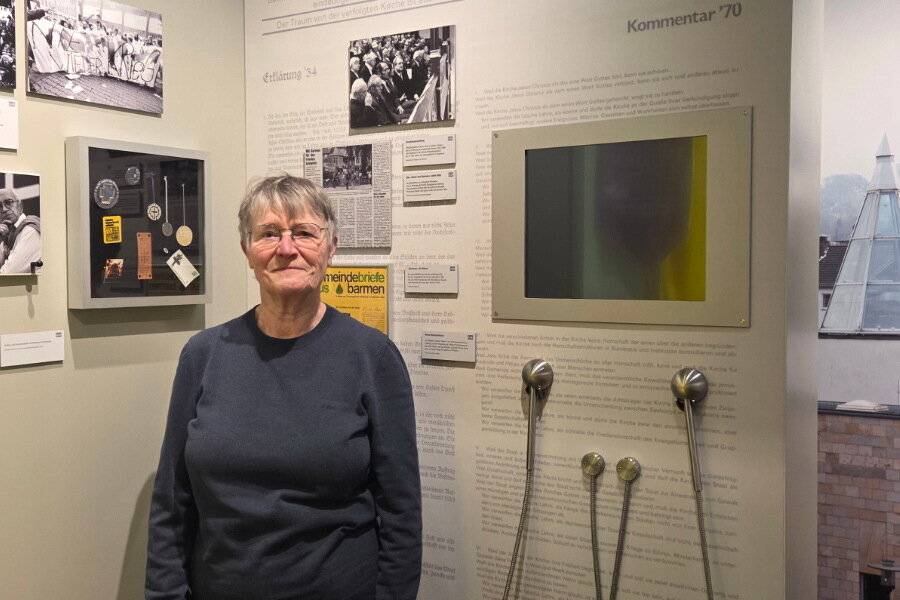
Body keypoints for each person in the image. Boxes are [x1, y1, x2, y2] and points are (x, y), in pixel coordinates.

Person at [145, 175, 421, 600]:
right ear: (247, 251)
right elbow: (171, 502)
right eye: (269, 234)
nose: (287, 248)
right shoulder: (203, 355)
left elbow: (401, 513)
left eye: (305, 233)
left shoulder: (373, 358)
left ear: (331, 247)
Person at [0, 189, 41, 275]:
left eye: (8, 202)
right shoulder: (6, 235)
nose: (3, 209)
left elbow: (7, 274)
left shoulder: (30, 230)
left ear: (20, 206)